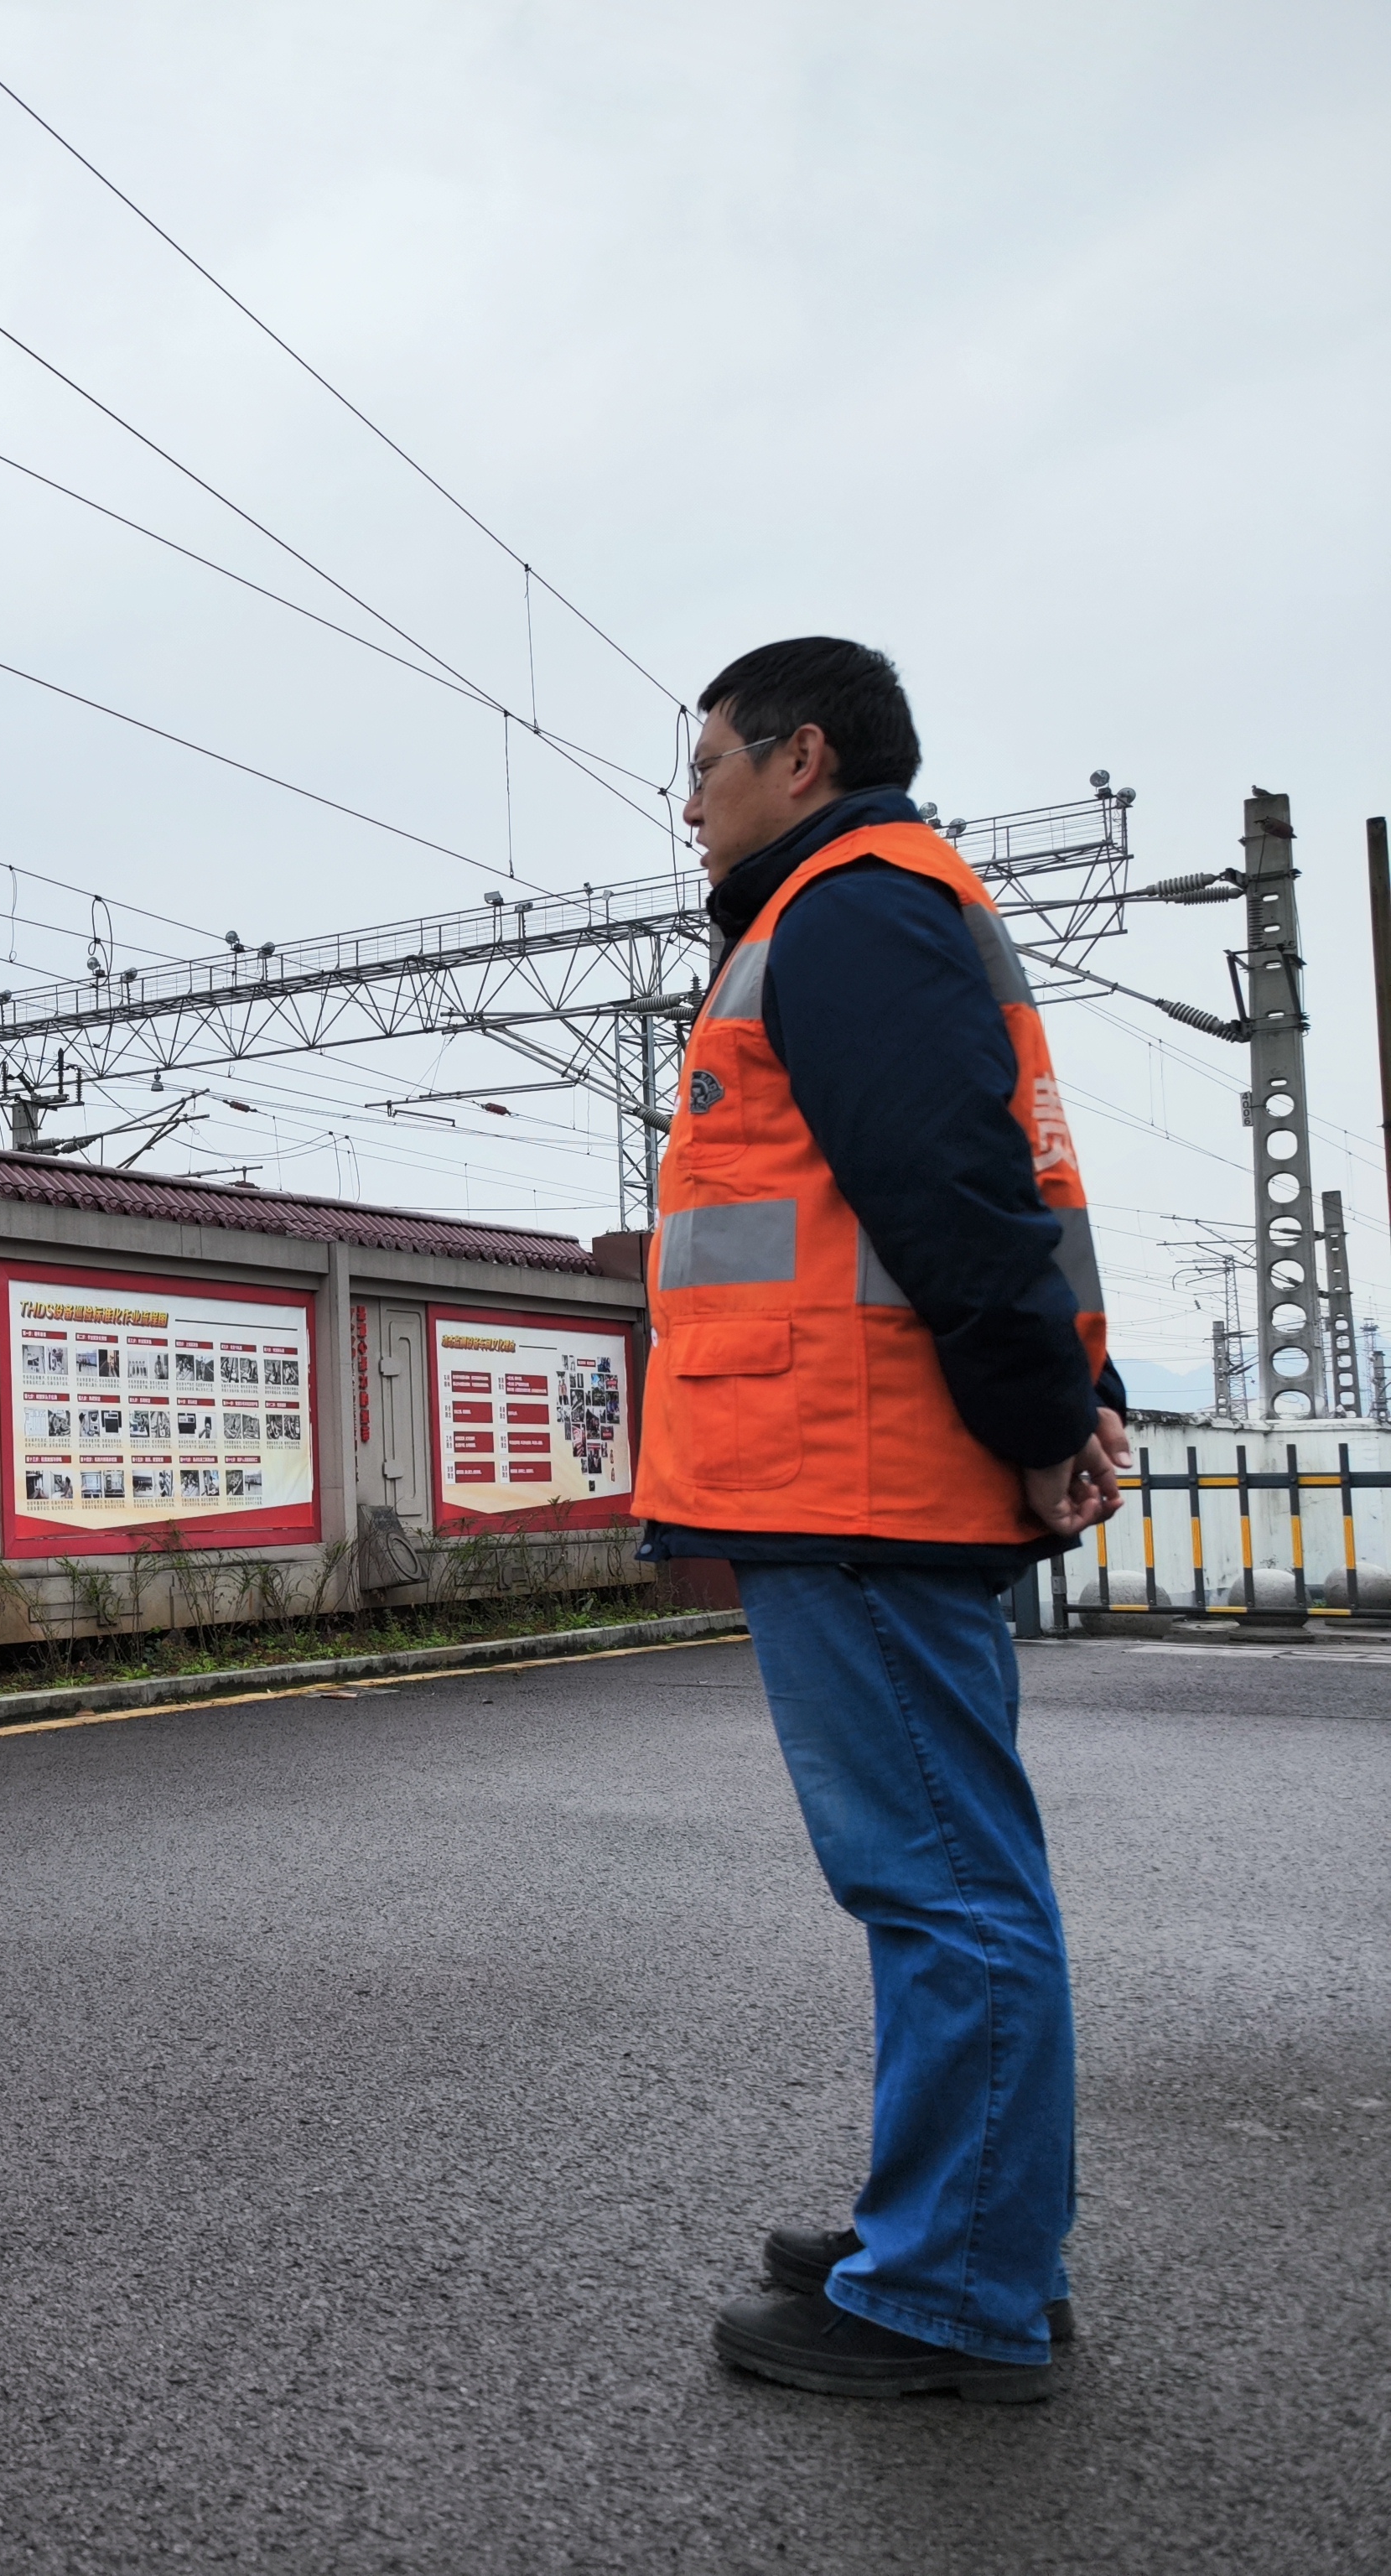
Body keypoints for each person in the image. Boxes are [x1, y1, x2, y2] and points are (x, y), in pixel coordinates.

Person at [639, 639, 1129, 2402]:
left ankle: (950, 2294)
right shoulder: (889, 911)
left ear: (802, 755)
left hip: (854, 1479)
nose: (687, 804)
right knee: (953, 1880)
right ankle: (967, 2229)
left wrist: (1037, 1415)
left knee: (935, 1889)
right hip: (869, 1473)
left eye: (704, 764)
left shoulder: (846, 911)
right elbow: (1013, 1196)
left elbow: (947, 1195)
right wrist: (1069, 1403)